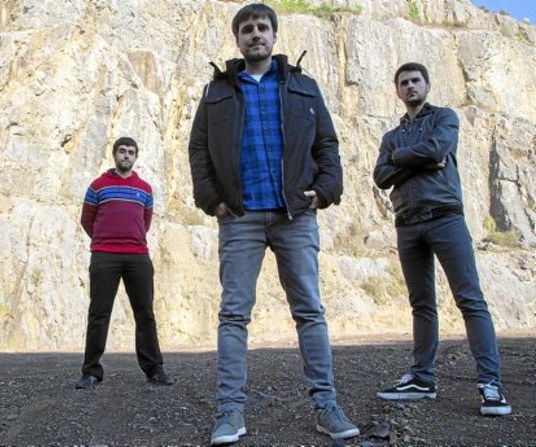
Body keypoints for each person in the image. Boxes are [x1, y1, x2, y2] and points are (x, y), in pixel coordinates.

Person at [188, 4, 359, 443]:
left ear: (274, 35)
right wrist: (211, 200)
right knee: (233, 315)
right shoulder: (216, 92)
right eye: (247, 29)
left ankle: (327, 406)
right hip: (239, 217)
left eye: (262, 27)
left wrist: (326, 189)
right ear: (238, 39)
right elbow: (199, 149)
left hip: (294, 216)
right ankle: (230, 412)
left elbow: (327, 144)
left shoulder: (303, 86)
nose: (255, 34)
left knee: (309, 311)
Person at [373, 62, 511, 416]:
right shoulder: (391, 137)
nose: (410, 86)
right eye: (404, 82)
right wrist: (415, 159)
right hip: (407, 223)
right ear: (397, 91)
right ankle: (422, 379)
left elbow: (437, 151)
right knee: (421, 304)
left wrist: (401, 160)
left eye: (416, 80)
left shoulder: (444, 117)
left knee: (470, 300)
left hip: (444, 217)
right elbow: (381, 177)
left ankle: (491, 384)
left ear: (428, 85)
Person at [76, 137, 173, 389]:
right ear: (114, 154)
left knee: (145, 313)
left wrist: (130, 239)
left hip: (137, 256)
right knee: (99, 314)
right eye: (122, 151)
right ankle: (91, 372)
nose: (126, 155)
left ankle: (154, 370)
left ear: (136, 157)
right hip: (104, 255)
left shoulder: (145, 189)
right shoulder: (98, 186)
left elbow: (145, 222)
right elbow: (87, 219)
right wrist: (103, 239)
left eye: (131, 152)